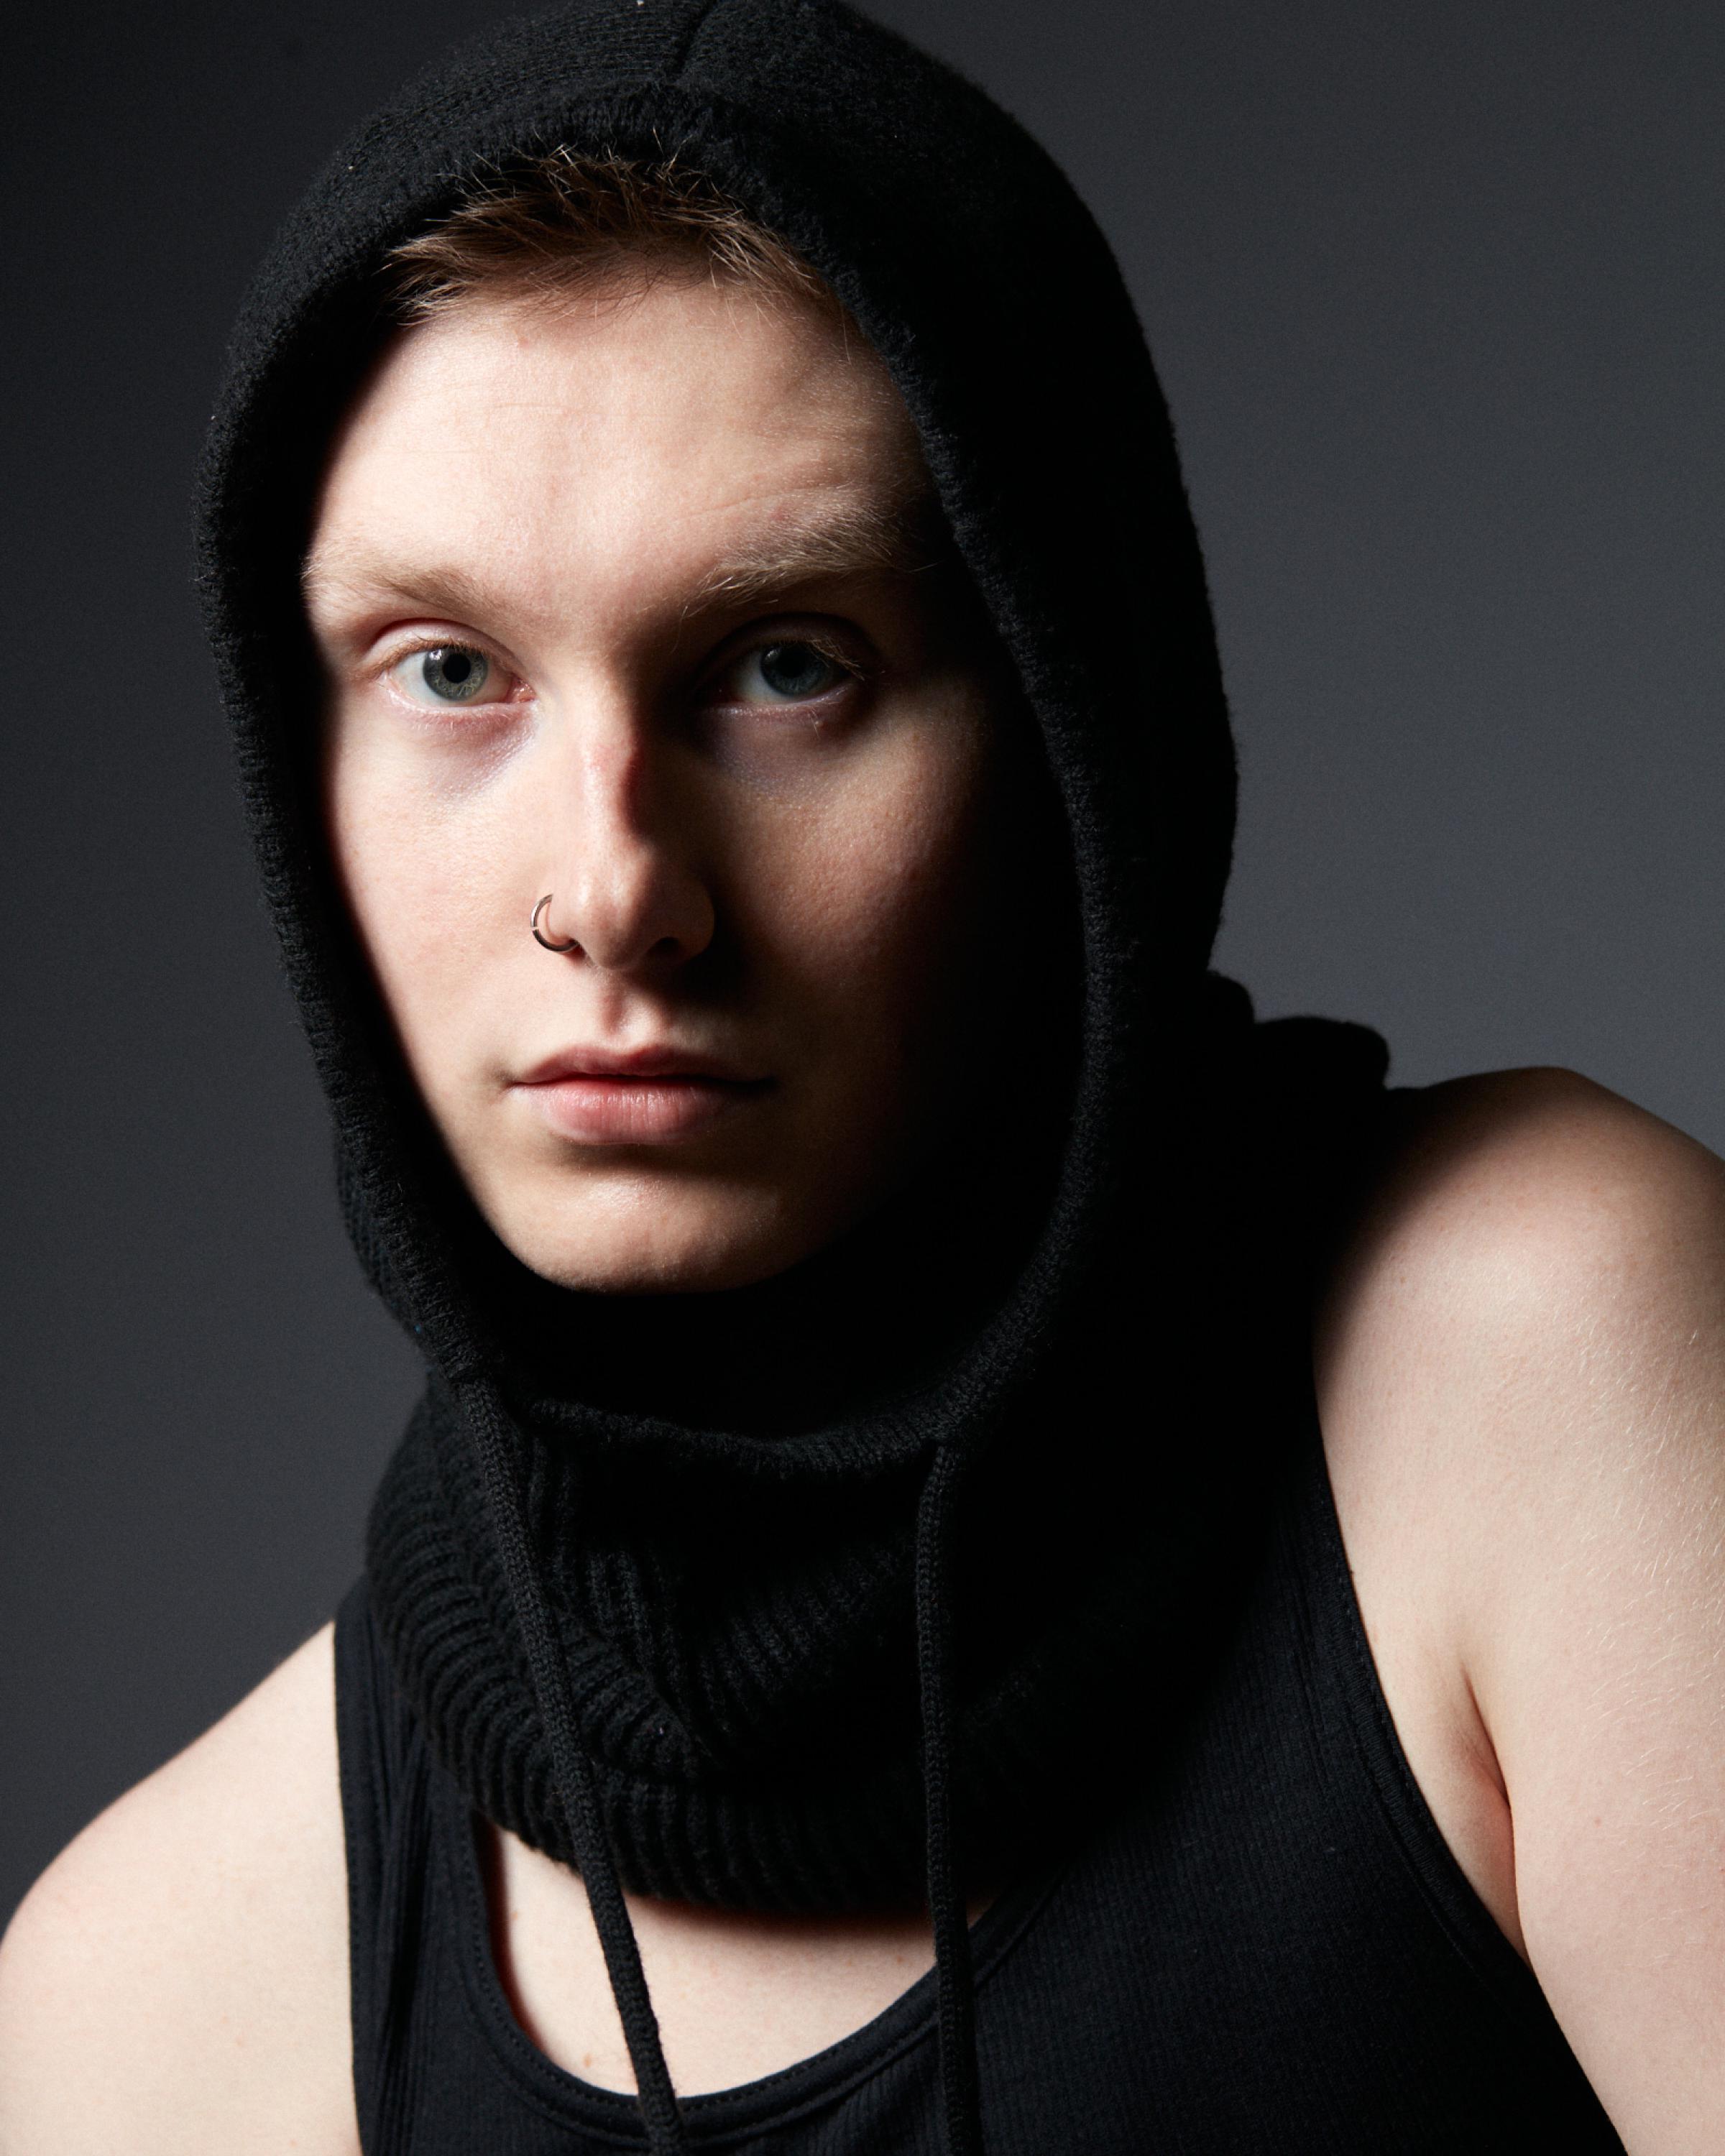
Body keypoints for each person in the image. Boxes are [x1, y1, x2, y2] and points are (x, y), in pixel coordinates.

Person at [1, 2, 1721, 2150]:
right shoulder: (156, 1999)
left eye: (789, 663)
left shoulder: (1543, 1372)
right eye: (451, 674)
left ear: (1074, 735)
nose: (616, 891)